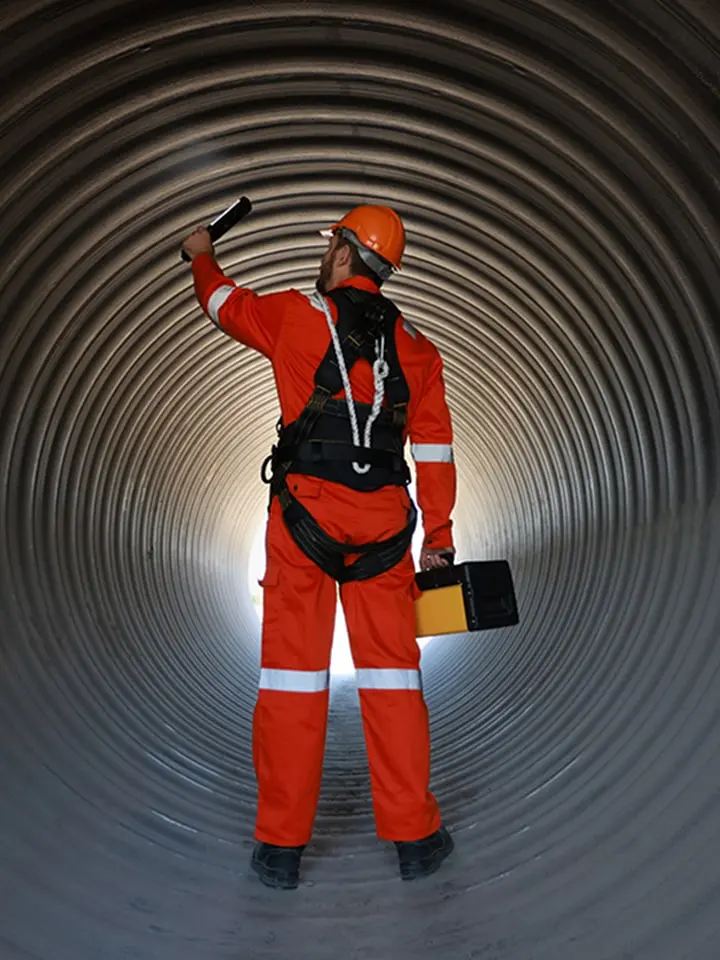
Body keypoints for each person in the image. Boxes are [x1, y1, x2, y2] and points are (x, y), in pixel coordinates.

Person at [183, 204, 457, 890]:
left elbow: (220, 304)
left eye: (330, 244)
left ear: (341, 255)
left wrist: (200, 255)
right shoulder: (419, 348)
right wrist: (440, 541)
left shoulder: (294, 317)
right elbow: (436, 452)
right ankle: (415, 838)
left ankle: (280, 848)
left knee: (293, 683)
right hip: (388, 534)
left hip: (304, 525)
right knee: (394, 680)